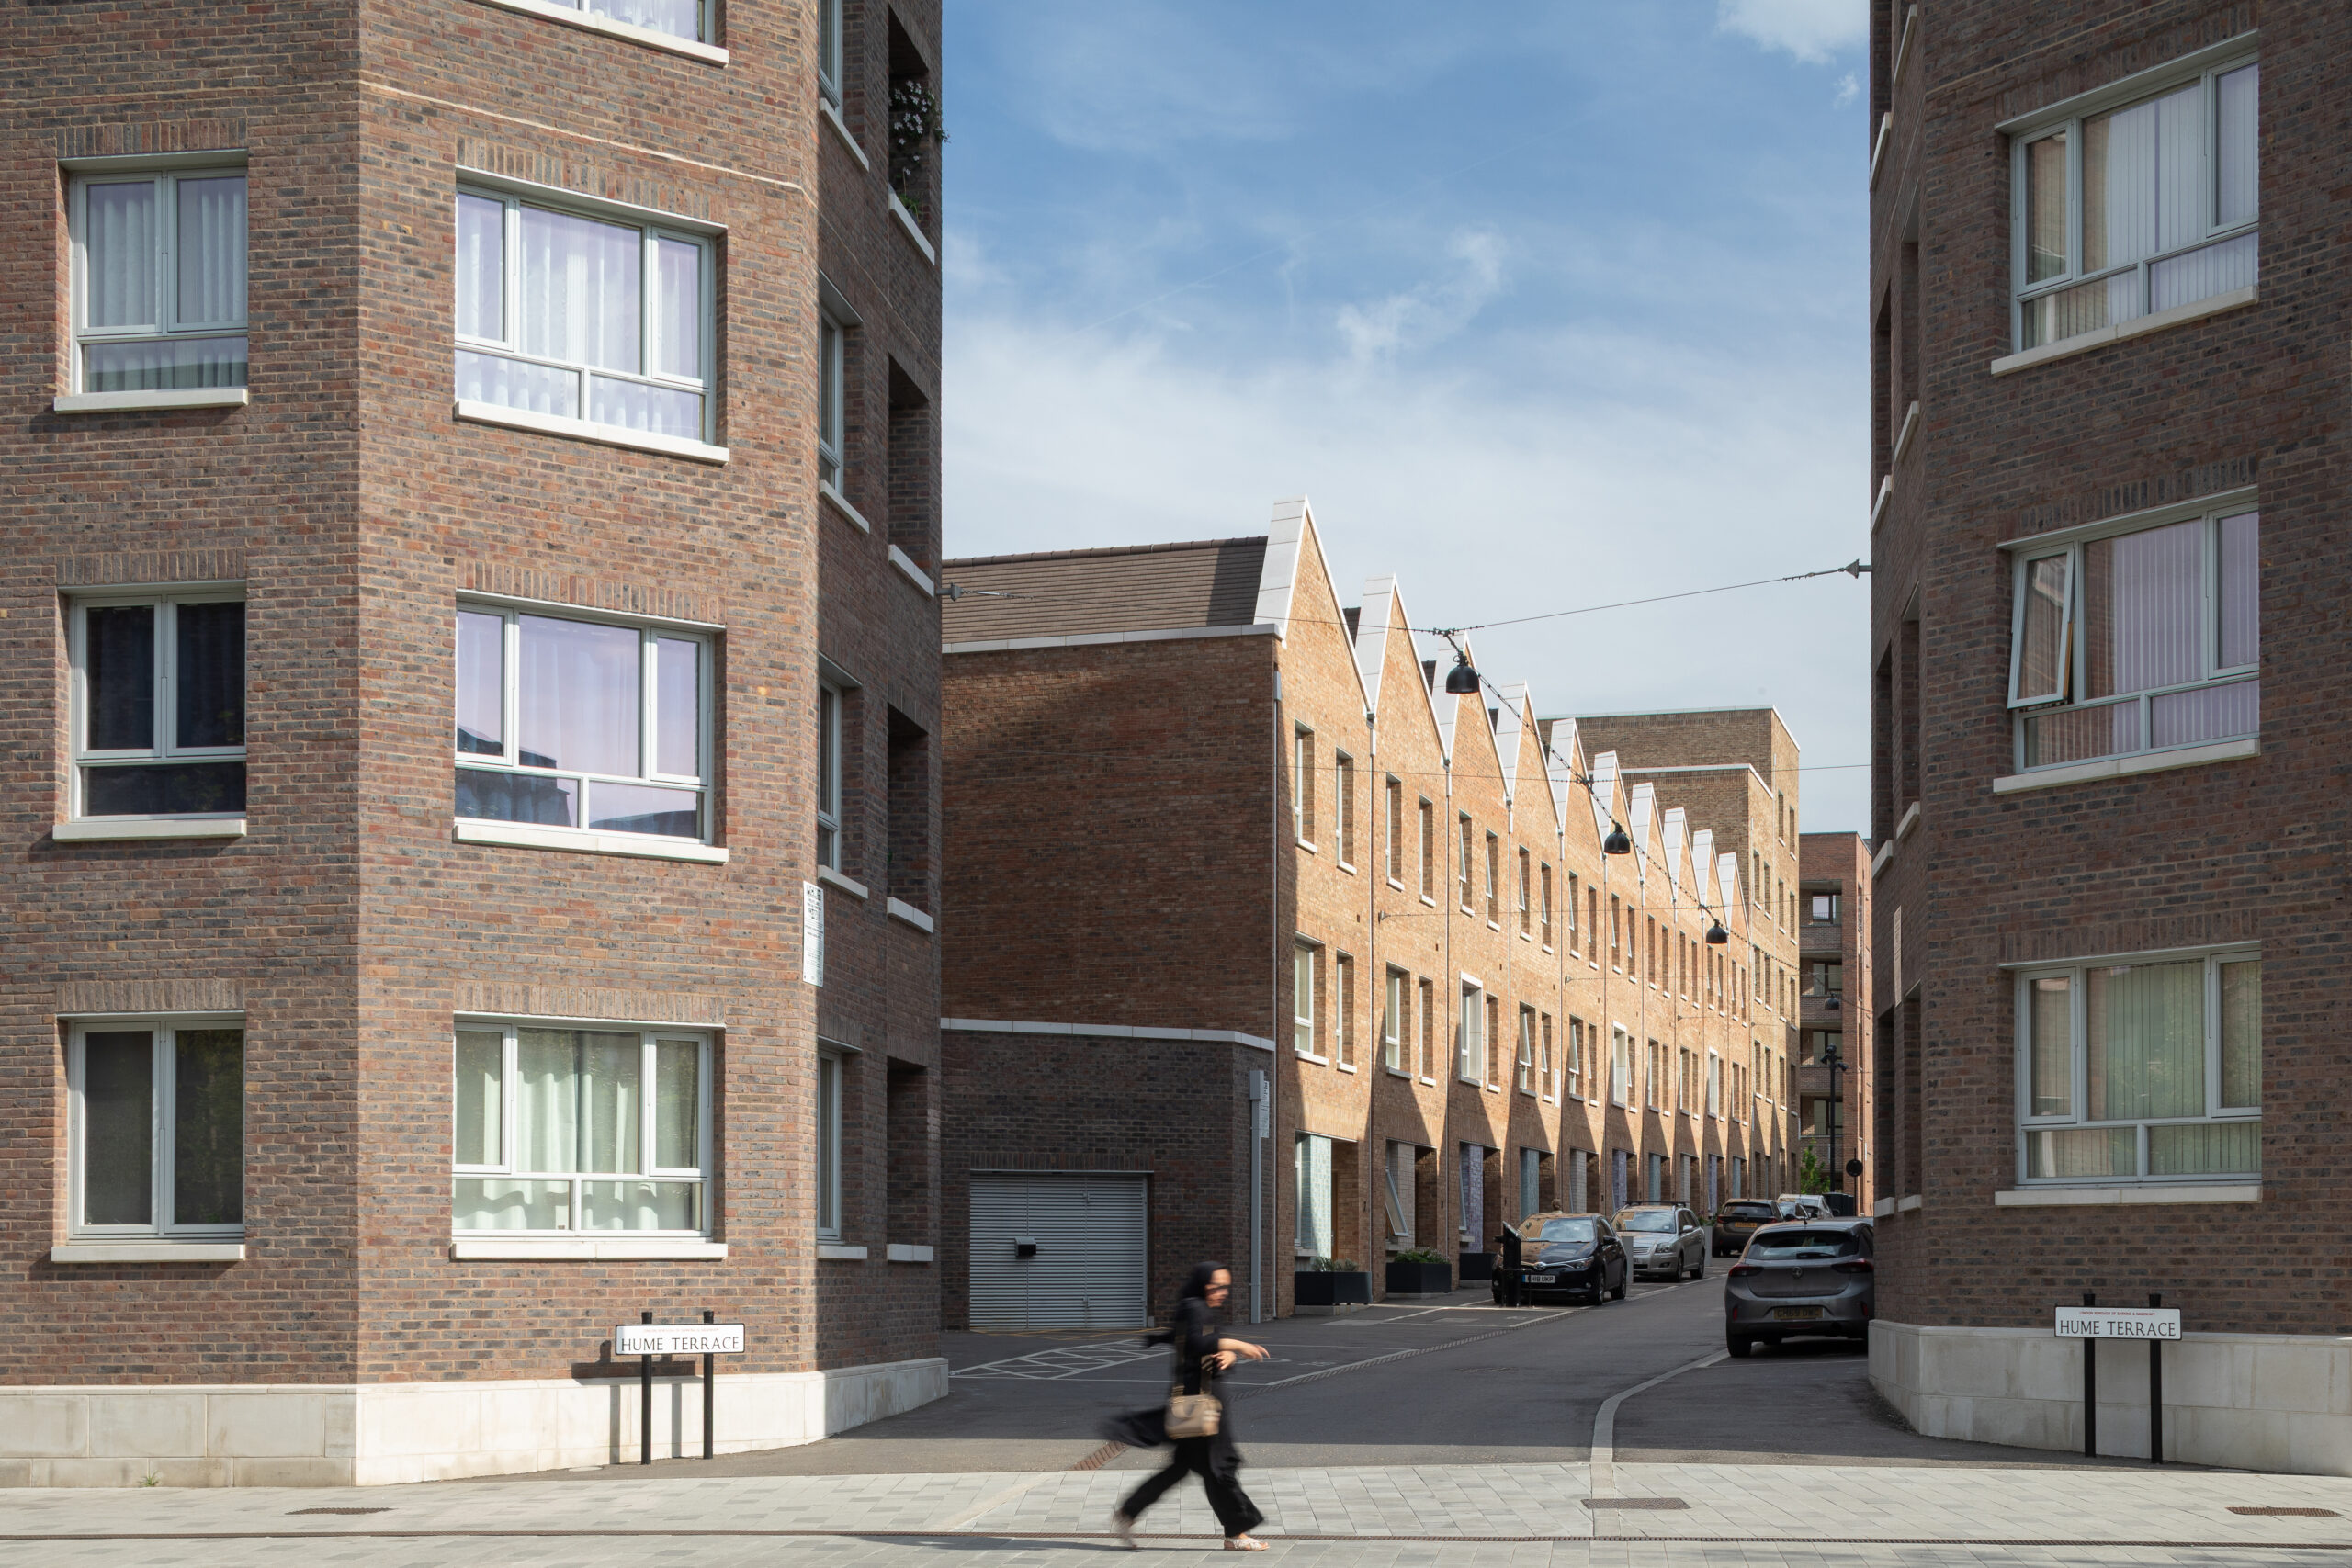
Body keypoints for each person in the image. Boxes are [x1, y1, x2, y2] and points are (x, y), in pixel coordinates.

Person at [1102, 1261, 1270, 1551]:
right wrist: (1238, 1346)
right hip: (1199, 1406)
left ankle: (1128, 1512)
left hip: (1203, 1404)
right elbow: (1197, 1343)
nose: (1222, 1292)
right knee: (1219, 1467)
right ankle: (1235, 1534)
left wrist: (1229, 1355)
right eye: (1216, 1286)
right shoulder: (1193, 1307)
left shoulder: (1203, 1309)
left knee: (1183, 1467)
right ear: (1203, 1284)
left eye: (1226, 1287)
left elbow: (1209, 1347)